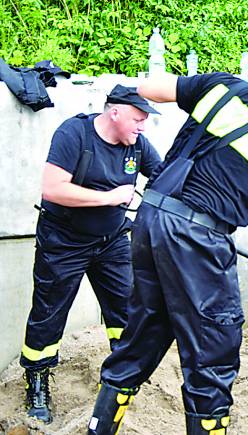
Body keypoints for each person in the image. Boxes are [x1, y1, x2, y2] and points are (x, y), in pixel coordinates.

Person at [87, 56, 248, 435]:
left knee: (144, 334)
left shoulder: (220, 86)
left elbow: (147, 89)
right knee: (213, 351)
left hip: (150, 219)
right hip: (195, 237)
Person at [21, 85, 162, 424]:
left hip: (111, 240)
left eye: (145, 120)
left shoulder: (137, 145)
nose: (143, 126)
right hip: (64, 240)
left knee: (128, 308)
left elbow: (163, 176)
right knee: (48, 313)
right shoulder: (74, 134)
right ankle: (37, 382)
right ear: (115, 112)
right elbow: (53, 188)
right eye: (138, 118)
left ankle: (122, 376)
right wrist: (110, 197)